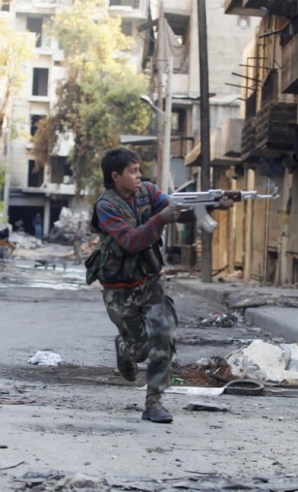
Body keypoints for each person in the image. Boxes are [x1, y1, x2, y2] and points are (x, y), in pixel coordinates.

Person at [86, 148, 232, 423]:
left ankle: (154, 403)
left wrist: (211, 204)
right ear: (115, 176)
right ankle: (124, 348)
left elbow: (180, 213)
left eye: (139, 169)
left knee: (164, 334)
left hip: (150, 279)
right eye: (132, 171)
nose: (139, 176)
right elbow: (130, 242)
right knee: (140, 350)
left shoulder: (149, 192)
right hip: (119, 287)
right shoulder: (106, 206)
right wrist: (160, 219)